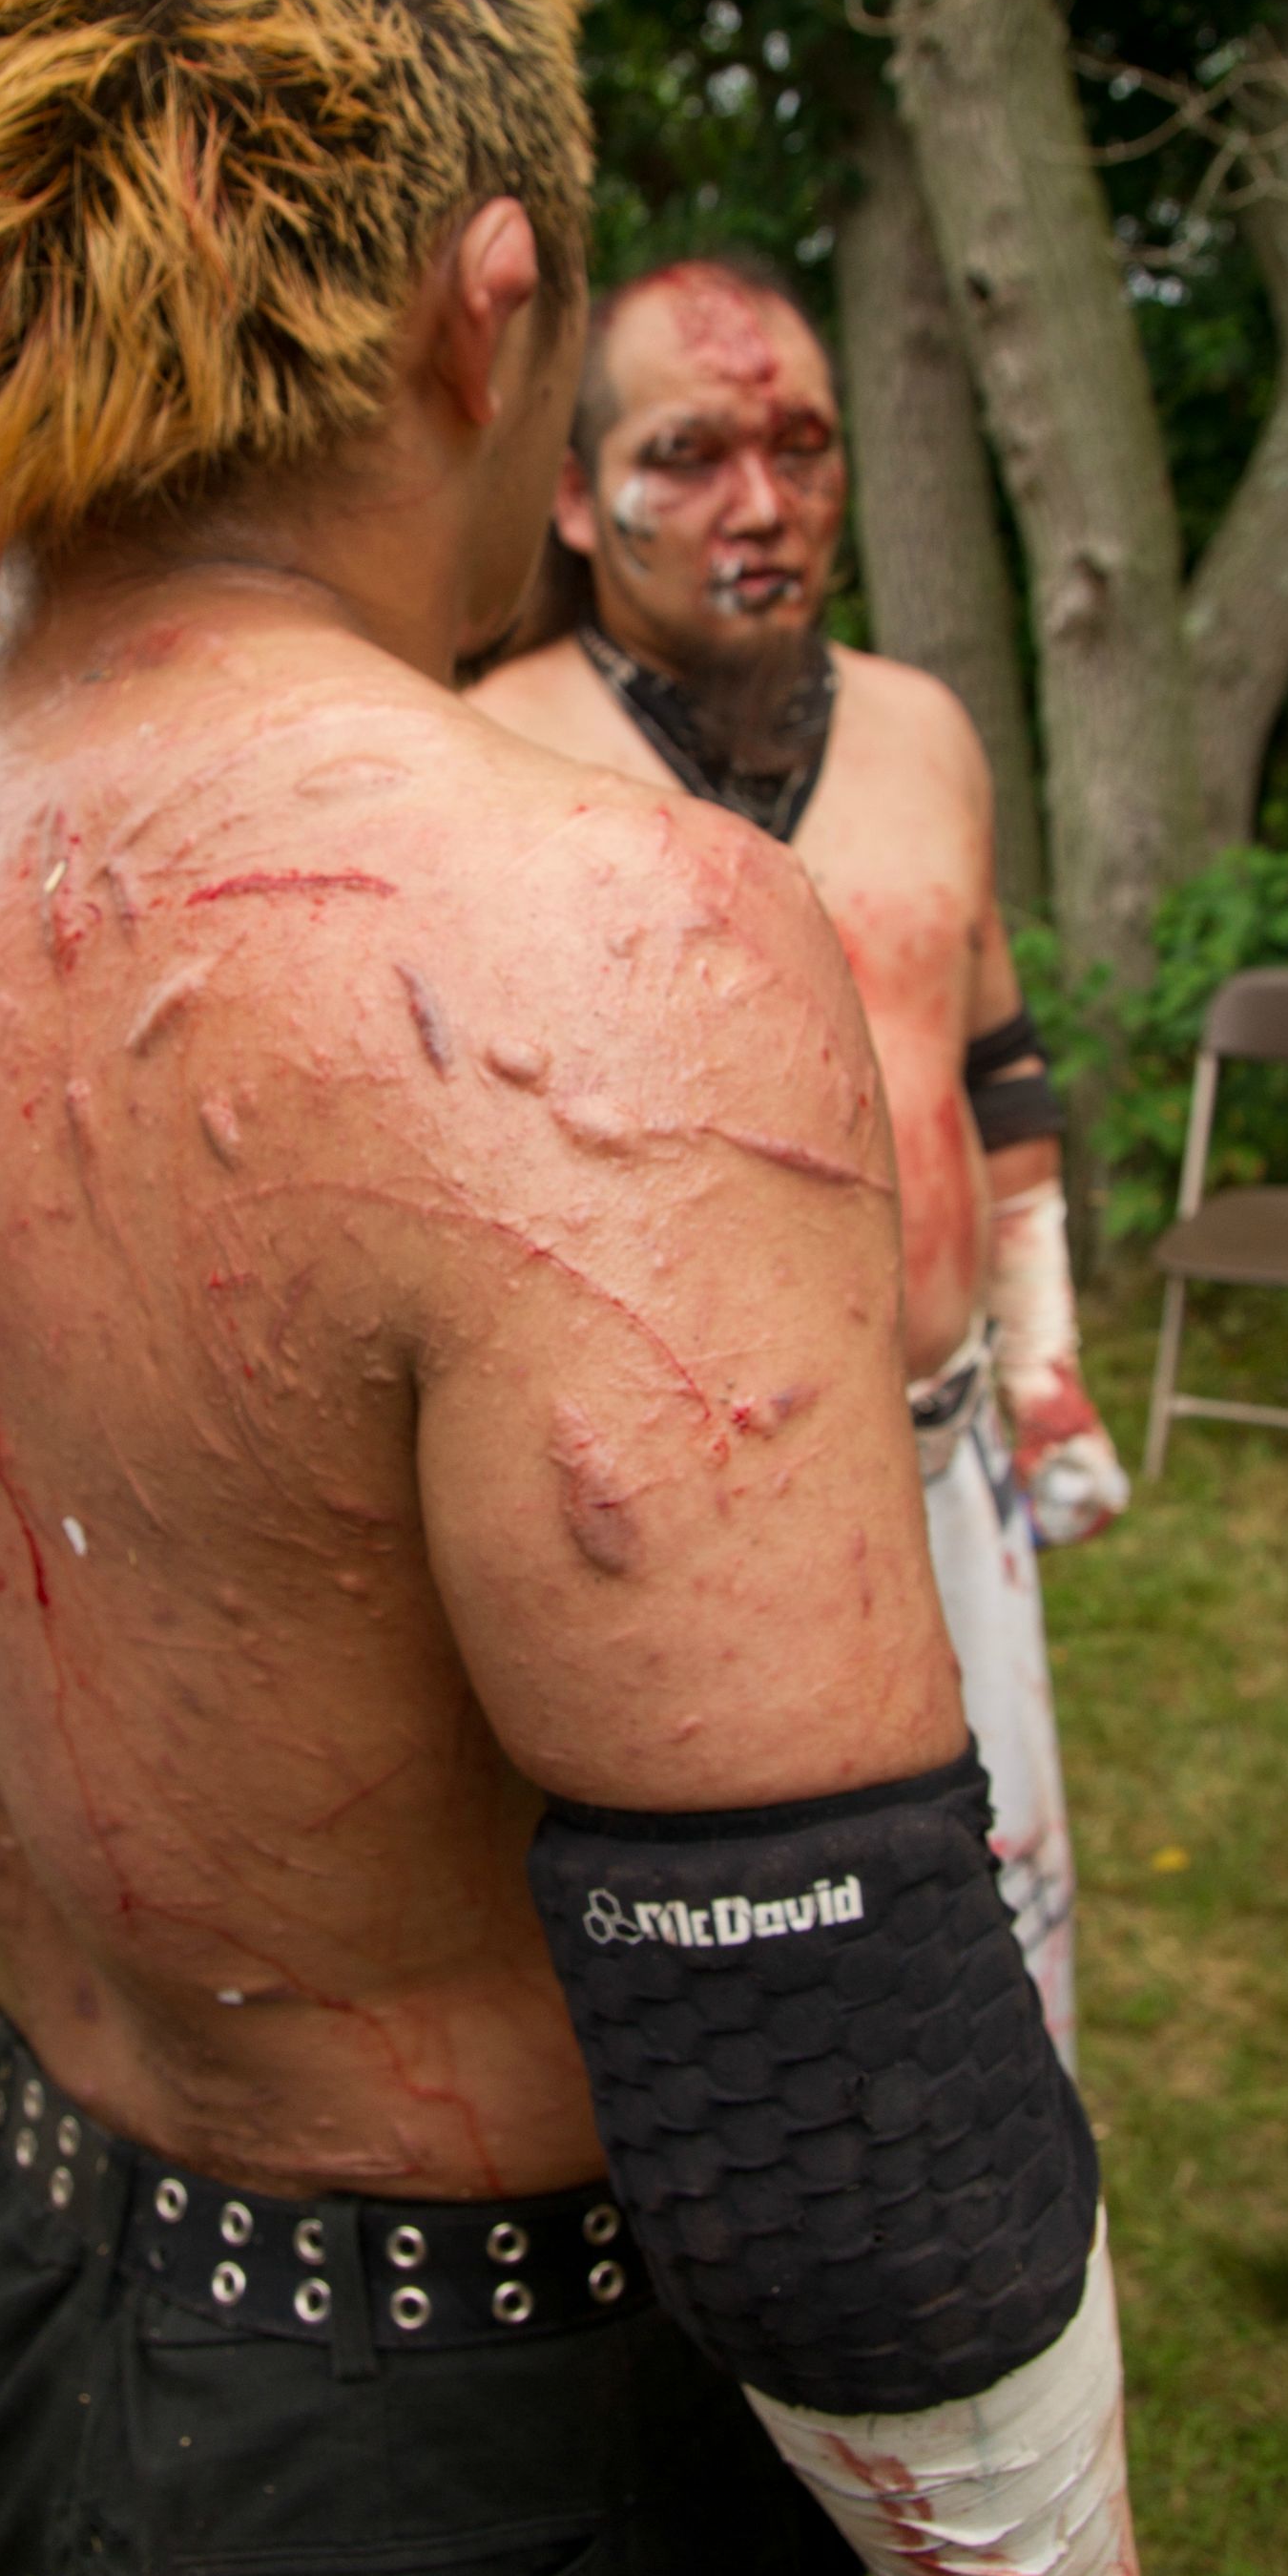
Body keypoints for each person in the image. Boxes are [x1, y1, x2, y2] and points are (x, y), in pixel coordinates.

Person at [0, 0, 1189, 2576]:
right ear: (486, 303)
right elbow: (843, 2128)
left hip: (54, 2273)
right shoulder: (579, 931)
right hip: (479, 2475)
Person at [472, 257, 1131, 2068]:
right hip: (661, 1548)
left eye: (804, 446)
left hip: (945, 1470)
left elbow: (995, 1068)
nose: (761, 504)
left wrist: (1047, 1359)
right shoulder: (476, 761)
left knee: (980, 2004)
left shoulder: (921, 728)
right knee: (747, 2058)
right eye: (685, 454)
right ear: (567, 488)